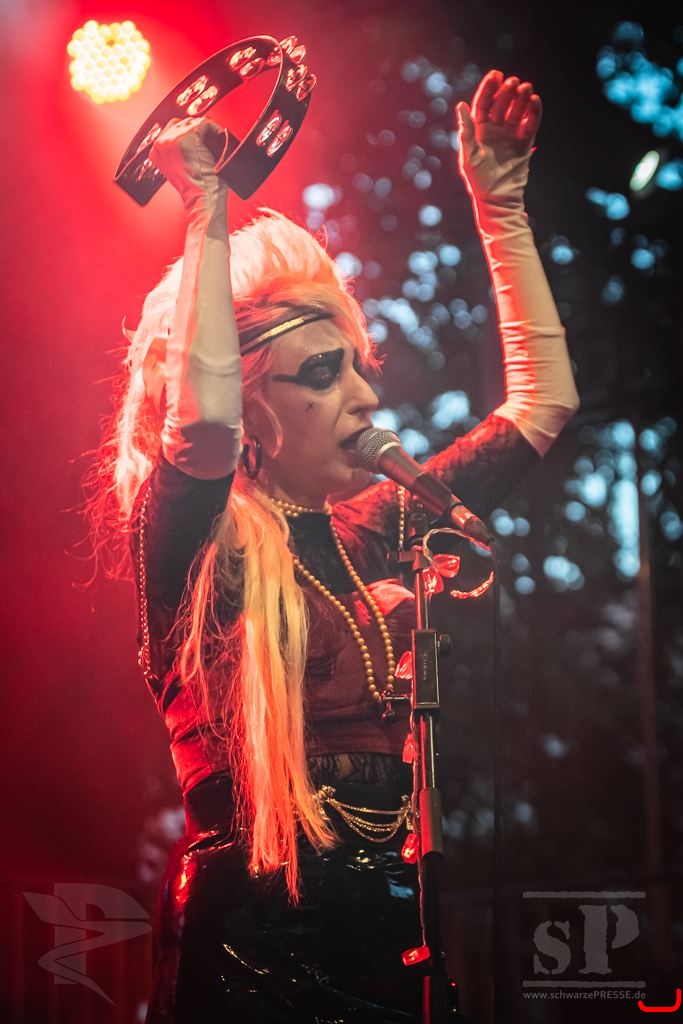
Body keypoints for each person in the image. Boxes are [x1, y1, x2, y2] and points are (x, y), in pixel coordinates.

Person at [94, 69, 579, 1022]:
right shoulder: (195, 546)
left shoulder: (381, 526)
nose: (365, 394)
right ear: (252, 408)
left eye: (359, 365)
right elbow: (201, 430)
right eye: (324, 372)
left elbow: (540, 406)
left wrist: (501, 207)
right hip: (250, 934)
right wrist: (206, 210)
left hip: (390, 922)